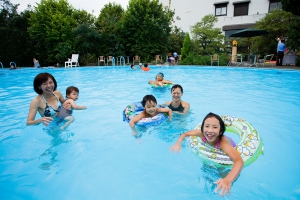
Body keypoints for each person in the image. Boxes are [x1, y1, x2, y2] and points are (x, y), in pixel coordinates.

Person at [170, 112, 243, 196]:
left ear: (220, 131)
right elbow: (185, 134)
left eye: (215, 127)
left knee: (224, 180)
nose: (210, 130)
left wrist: (228, 180)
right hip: (210, 154)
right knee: (207, 174)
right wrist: (178, 143)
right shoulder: (201, 134)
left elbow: (239, 161)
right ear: (202, 128)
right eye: (207, 126)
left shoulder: (223, 144)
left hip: (224, 158)